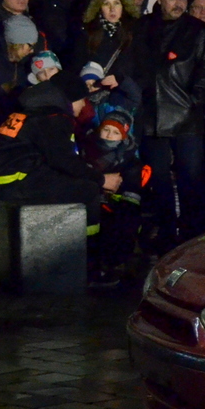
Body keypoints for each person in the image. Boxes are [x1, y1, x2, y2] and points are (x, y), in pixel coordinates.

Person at [0, 75, 122, 279]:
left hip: (3, 178)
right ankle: (90, 268)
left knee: (73, 181)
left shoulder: (33, 110)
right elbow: (64, 161)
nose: (84, 106)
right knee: (88, 190)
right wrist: (102, 179)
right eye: (82, 100)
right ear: (71, 99)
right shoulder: (53, 117)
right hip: (11, 182)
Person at [145, 0, 205, 244]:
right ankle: (166, 231)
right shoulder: (146, 27)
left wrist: (195, 99)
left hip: (186, 112)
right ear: (160, 1)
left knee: (191, 177)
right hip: (154, 114)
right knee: (159, 177)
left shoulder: (198, 30)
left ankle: (191, 233)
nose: (177, 3)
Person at [82, 109, 141, 285]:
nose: (109, 135)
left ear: (123, 136)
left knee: (123, 223)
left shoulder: (130, 162)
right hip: (89, 205)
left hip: (117, 207)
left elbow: (132, 197)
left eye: (116, 132)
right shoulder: (84, 152)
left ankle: (115, 265)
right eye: (106, 129)